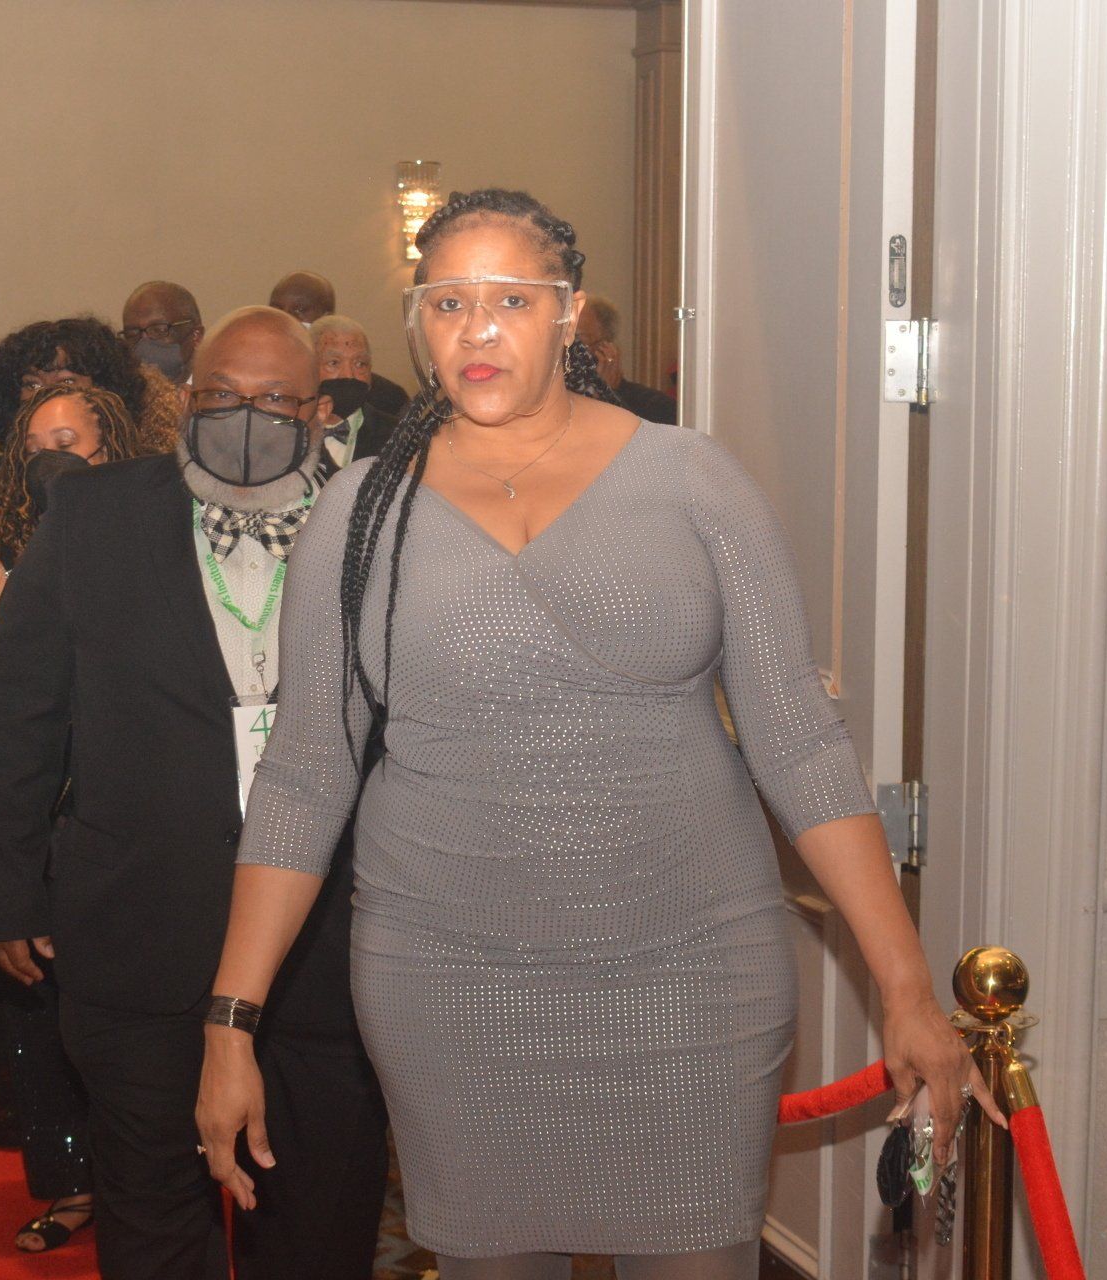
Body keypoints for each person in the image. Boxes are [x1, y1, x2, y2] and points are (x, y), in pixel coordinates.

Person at [196, 190, 1001, 1280]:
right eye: (448, 303)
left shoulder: (693, 480)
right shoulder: (362, 512)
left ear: (568, 312)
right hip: (447, 982)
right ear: (417, 322)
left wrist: (904, 983)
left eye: (511, 301)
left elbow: (800, 742)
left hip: (691, 968)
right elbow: (304, 775)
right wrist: (231, 1020)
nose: (476, 330)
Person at [0, 307, 388, 1280]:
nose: (246, 418)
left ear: (318, 411)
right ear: (187, 399)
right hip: (137, 933)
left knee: (317, 1222)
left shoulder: (375, 527)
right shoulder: (95, 515)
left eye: (274, 401)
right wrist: (8, 890)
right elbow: (20, 712)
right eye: (222, 397)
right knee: (152, 1217)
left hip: (327, 947)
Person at [0, 383, 152, 1255]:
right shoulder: (1, 555)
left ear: (112, 450)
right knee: (42, 1014)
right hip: (35, 815)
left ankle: (145, 1184)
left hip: (131, 816)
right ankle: (72, 1184)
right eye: (36, 447)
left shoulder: (158, 541)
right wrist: (27, 679)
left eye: (71, 443)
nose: (52, 461)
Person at [0, 316, 180, 597]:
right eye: (32, 384)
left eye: (67, 380)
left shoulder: (146, 479)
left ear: (105, 390)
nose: (48, 393)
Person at [267, 269, 409, 417]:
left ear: (326, 317)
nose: (286, 318)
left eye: (300, 310)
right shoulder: (259, 383)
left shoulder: (387, 398)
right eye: (277, 309)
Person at [308, 314, 396, 473]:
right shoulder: (287, 431)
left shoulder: (398, 436)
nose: (348, 375)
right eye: (334, 363)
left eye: (360, 364)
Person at [576, 294, 678, 425]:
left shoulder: (658, 408)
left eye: (578, 340)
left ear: (606, 350)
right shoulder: (553, 403)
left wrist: (606, 395)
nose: (565, 350)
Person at [122, 279, 205, 386]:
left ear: (196, 335)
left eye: (158, 330)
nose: (144, 343)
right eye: (132, 334)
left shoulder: (215, 389)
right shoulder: (121, 392)